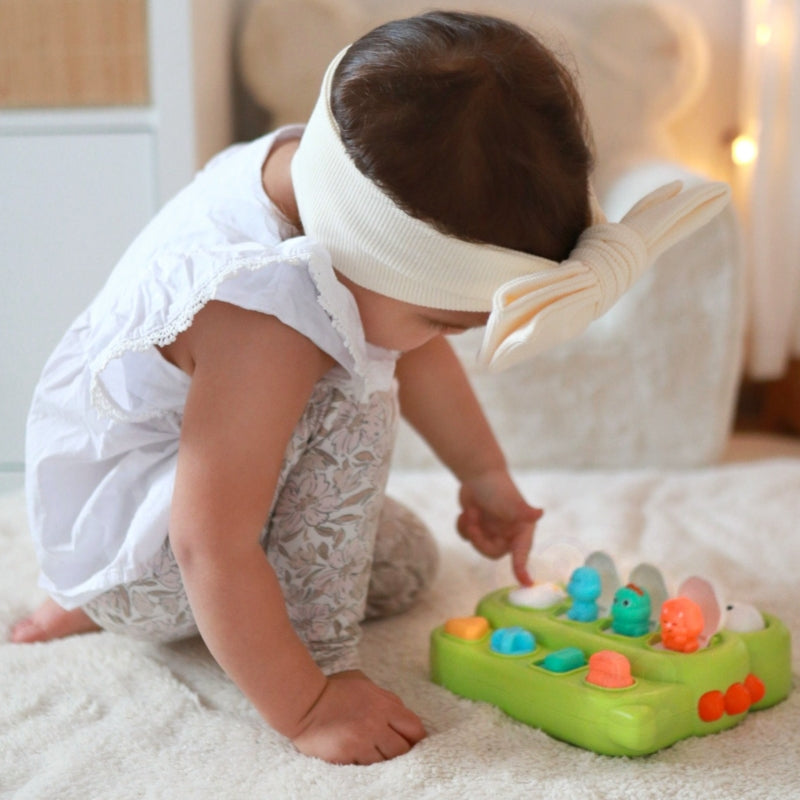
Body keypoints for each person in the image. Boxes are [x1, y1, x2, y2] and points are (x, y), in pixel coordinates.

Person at [10, 10, 728, 765]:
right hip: (163, 559)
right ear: (385, 258)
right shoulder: (264, 321)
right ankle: (286, 646)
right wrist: (307, 703)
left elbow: (405, 341)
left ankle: (94, 589)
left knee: (408, 561)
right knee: (354, 395)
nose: (446, 339)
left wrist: (485, 477)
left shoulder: (316, 182)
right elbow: (208, 544)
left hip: (148, 503)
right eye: (441, 321)